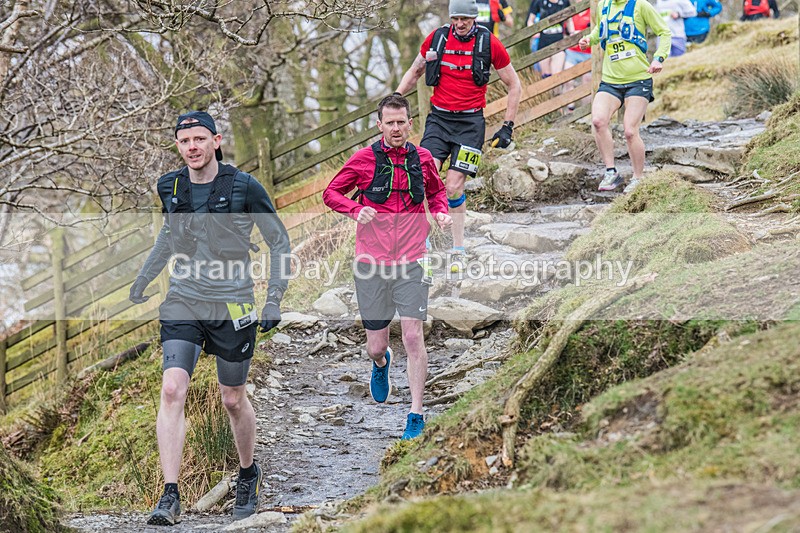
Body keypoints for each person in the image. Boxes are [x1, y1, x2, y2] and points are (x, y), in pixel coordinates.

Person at [129, 111, 291, 526]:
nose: (192, 147)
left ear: (216, 141)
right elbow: (168, 236)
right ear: (179, 146)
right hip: (184, 300)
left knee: (232, 399)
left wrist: (273, 298)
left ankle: (247, 473)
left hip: (234, 301)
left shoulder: (243, 187)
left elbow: (279, 241)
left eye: (200, 139)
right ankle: (169, 494)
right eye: (185, 142)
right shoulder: (171, 186)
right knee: (171, 389)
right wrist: (145, 277)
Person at [322, 95, 452, 440]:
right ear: (380, 125)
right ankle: (381, 364)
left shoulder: (423, 159)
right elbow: (330, 193)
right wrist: (354, 209)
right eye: (390, 122)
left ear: (411, 123)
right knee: (376, 346)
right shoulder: (364, 160)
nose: (396, 128)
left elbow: (437, 194)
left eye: (402, 121)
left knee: (413, 335)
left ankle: (416, 413)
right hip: (372, 262)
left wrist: (440, 212)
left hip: (413, 258)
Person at [394, 0, 521, 272]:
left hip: (471, 123)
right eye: (456, 18)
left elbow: (514, 85)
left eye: (465, 18)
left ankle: (458, 249)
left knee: (453, 186)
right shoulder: (437, 38)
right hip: (439, 120)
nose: (460, 24)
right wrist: (393, 100)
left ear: (474, 18)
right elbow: (415, 71)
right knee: (420, 175)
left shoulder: (489, 43)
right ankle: (421, 246)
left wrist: (508, 126)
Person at [579, 0, 671, 194]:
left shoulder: (640, 5)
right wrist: (589, 39)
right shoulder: (604, 5)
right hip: (610, 80)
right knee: (598, 121)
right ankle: (611, 172)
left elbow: (664, 32)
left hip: (638, 80)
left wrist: (658, 58)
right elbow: (599, 31)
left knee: (630, 131)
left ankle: (638, 178)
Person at [527, 0, 573, 78]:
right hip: (543, 43)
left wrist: (572, 33)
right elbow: (530, 21)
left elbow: (569, 20)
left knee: (557, 75)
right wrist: (534, 32)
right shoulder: (538, 2)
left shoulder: (564, 2)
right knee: (546, 76)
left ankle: (557, 90)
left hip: (559, 42)